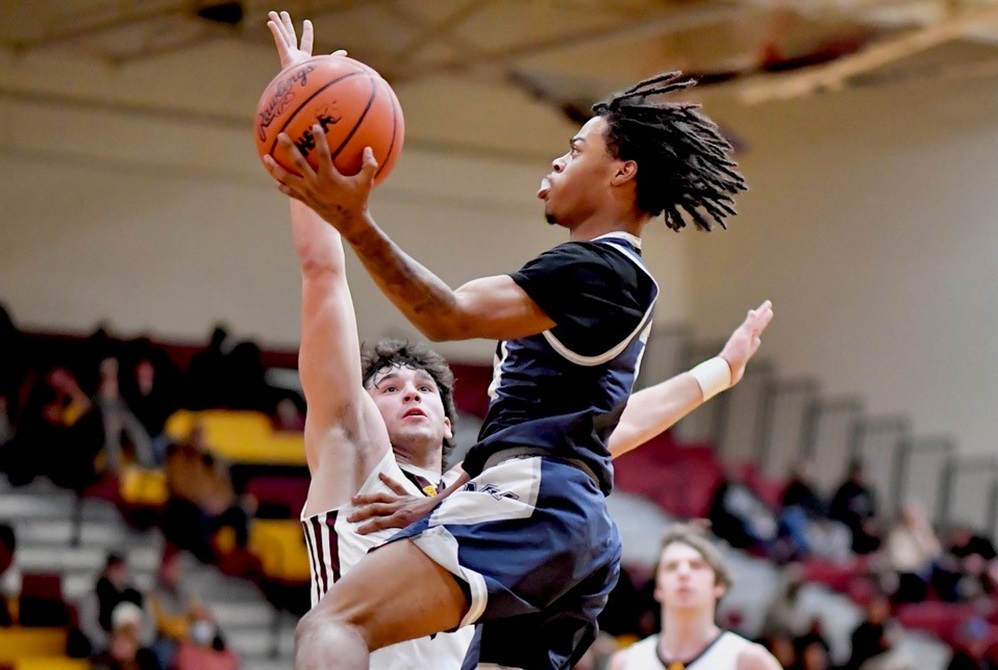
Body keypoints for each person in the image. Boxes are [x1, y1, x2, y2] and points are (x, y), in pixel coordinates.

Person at [264, 11, 755, 669]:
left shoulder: (595, 268)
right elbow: (597, 431)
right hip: (565, 524)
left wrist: (355, 221)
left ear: (621, 174)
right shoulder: (607, 291)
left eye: (579, 149)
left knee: (332, 624)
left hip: (535, 507)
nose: (560, 157)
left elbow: (446, 315)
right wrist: (717, 373)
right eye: (390, 385)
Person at [606, 523, 782, 670]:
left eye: (696, 566)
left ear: (719, 584)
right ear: (658, 588)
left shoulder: (749, 660)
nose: (683, 573)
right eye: (672, 567)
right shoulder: (625, 663)